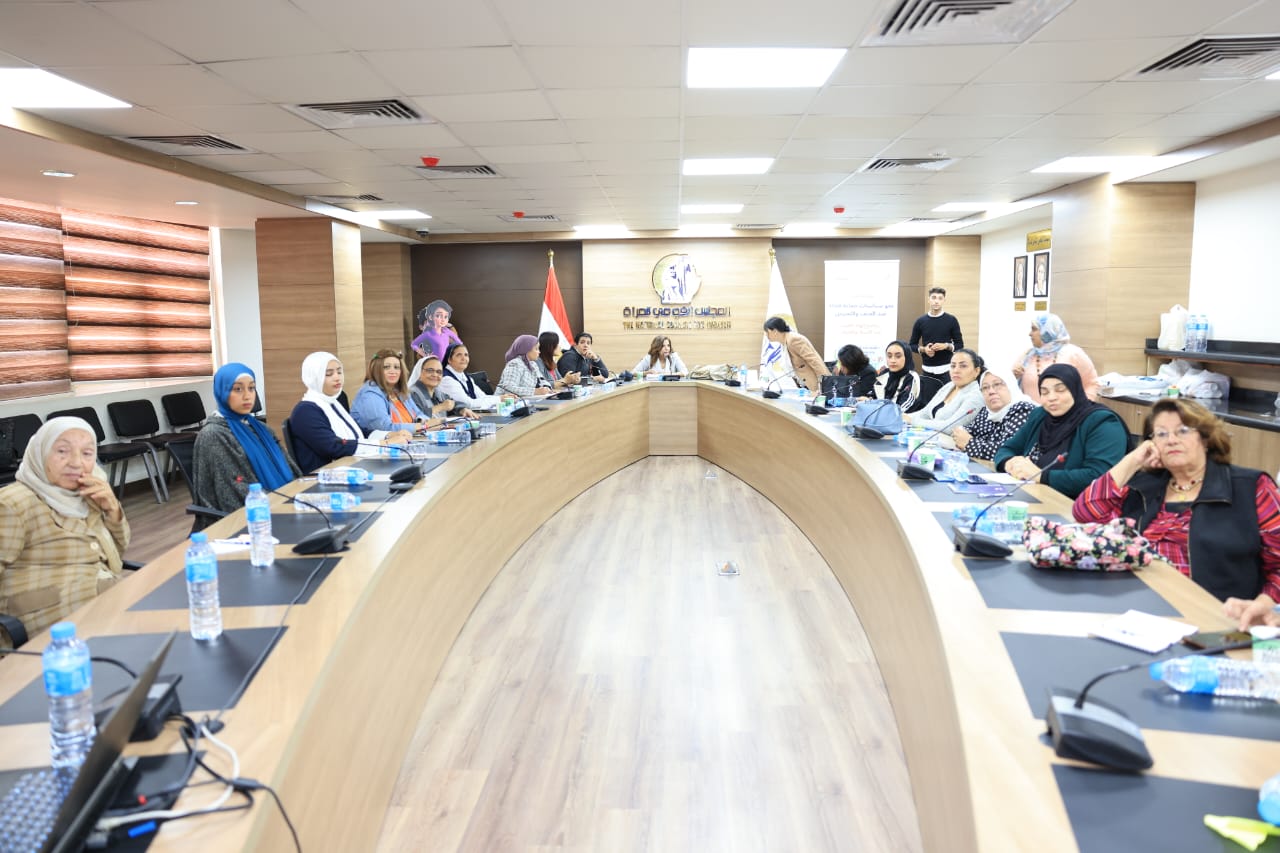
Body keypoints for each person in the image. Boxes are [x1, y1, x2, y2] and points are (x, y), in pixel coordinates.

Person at [1073, 398, 1280, 628]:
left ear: (1205, 438)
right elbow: (1085, 512)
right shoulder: (1144, 485)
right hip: (1135, 609)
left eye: (1182, 430)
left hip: (1214, 618)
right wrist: (1133, 460)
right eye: (1161, 434)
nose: (1171, 440)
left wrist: (1263, 605)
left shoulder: (1250, 487)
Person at [0, 417, 129, 642]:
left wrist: (112, 510)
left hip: (98, 597)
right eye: (62, 451)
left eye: (87, 453)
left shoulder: (88, 492)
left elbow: (117, 553)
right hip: (45, 617)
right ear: (40, 453)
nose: (76, 463)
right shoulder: (13, 503)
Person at [994, 363, 1127, 499]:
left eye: (1060, 390)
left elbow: (1100, 477)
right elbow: (1007, 449)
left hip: (1079, 505)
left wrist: (1041, 476)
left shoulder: (1102, 422)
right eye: (1044, 392)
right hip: (1036, 495)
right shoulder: (1041, 415)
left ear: (1075, 390)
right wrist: (1010, 463)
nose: (1051, 397)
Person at [193, 363, 300, 514]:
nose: (247, 396)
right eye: (238, 389)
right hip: (251, 518)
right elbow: (232, 494)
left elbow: (291, 470)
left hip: (284, 504)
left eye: (251, 388)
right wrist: (284, 506)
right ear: (222, 392)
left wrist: (302, 496)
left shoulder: (261, 429)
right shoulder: (213, 435)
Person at [289, 352, 413, 474]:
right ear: (313, 377)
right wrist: (385, 443)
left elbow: (358, 432)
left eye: (339, 372)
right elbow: (334, 447)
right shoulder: (305, 411)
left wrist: (389, 435)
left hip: (351, 467)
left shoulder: (334, 402)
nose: (337, 377)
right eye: (328, 374)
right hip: (327, 477)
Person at [950, 370, 1036, 462]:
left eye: (997, 384)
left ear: (1010, 386)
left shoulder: (1023, 409)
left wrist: (969, 444)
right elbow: (970, 431)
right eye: (985, 387)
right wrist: (960, 433)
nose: (991, 391)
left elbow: (1009, 451)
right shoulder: (987, 412)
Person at [1012, 313, 1100, 402]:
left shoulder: (1073, 353)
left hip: (1066, 410)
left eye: (1034, 329)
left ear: (1047, 331)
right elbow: (1011, 386)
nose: (1030, 334)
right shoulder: (1028, 355)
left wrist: (1082, 407)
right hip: (1032, 410)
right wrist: (1014, 376)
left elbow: (1092, 383)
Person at [903, 348, 985, 432]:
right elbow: (925, 413)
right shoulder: (949, 386)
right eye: (953, 366)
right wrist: (903, 417)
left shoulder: (976, 395)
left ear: (976, 371)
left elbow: (951, 427)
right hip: (931, 436)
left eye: (963, 366)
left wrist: (912, 421)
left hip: (949, 439)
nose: (956, 370)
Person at [351, 349, 429, 434]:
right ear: (376, 369)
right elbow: (384, 428)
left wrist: (421, 421)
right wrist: (421, 427)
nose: (393, 371)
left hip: (410, 438)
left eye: (396, 367)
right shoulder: (370, 394)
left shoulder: (400, 391)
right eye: (386, 367)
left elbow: (419, 413)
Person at [908, 287, 964, 380]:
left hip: (947, 369)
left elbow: (960, 345)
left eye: (940, 298)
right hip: (927, 369)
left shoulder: (951, 320)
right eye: (933, 298)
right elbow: (911, 345)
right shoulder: (920, 321)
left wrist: (946, 346)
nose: (936, 301)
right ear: (928, 300)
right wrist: (924, 349)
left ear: (944, 300)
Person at [762, 317, 829, 391]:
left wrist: (826, 382)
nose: (766, 335)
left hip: (814, 384)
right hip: (803, 384)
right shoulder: (784, 342)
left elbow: (813, 360)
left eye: (767, 332)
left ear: (775, 331)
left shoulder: (793, 339)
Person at [439, 343, 511, 411]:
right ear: (449, 360)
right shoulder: (447, 379)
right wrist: (499, 399)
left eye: (466, 355)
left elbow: (483, 397)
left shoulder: (467, 378)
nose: (464, 358)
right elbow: (467, 404)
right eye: (459, 355)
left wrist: (504, 397)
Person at [498, 334, 572, 397]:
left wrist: (547, 389)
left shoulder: (533, 364)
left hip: (525, 401)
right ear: (526, 350)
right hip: (504, 405)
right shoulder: (514, 364)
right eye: (536, 349)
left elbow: (542, 381)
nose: (539, 352)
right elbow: (508, 389)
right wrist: (535, 391)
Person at [409, 355, 476, 420]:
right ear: (419, 372)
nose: (435, 375)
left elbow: (453, 403)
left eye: (439, 372)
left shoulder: (438, 393)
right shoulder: (412, 393)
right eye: (430, 370)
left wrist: (462, 409)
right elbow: (415, 418)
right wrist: (441, 407)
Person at [864, 340, 922, 411]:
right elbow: (874, 394)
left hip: (900, 417)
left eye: (898, 356)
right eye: (889, 356)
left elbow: (904, 407)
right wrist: (867, 400)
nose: (892, 360)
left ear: (907, 357)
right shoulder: (884, 373)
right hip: (880, 414)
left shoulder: (911, 377)